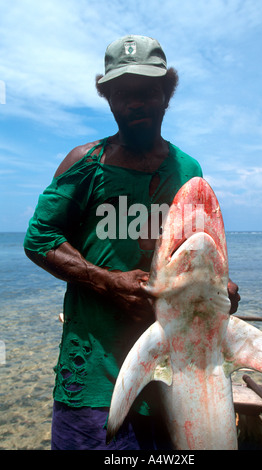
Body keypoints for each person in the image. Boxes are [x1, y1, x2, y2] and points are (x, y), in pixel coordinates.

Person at [24, 35, 240, 450]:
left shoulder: (187, 170)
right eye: (122, 93)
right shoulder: (86, 163)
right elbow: (39, 239)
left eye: (147, 91)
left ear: (166, 94)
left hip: (171, 380)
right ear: (108, 99)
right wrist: (108, 281)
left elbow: (193, 253)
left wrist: (215, 290)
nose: (135, 103)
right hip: (93, 382)